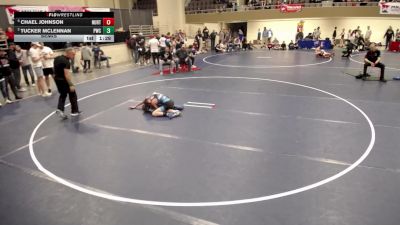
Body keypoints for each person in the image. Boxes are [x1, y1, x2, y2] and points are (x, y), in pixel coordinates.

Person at [53, 48, 81, 119]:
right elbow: (66, 74)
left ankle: (60, 109)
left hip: (57, 79)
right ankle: (74, 111)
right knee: (72, 93)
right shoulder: (66, 62)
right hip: (63, 80)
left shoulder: (57, 58)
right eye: (73, 54)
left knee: (63, 94)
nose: (74, 56)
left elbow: (54, 69)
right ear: (68, 53)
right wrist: (71, 84)